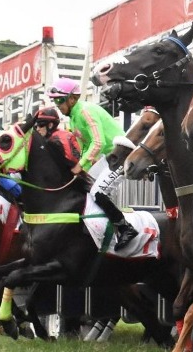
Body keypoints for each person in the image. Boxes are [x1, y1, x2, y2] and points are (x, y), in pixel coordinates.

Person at [48, 78, 138, 249]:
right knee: (82, 184)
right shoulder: (73, 118)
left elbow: (98, 142)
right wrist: (81, 171)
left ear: (72, 99)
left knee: (98, 191)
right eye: (54, 100)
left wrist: (80, 166)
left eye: (60, 99)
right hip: (109, 157)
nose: (57, 104)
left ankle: (125, 228)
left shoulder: (84, 111)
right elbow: (85, 148)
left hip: (122, 155)